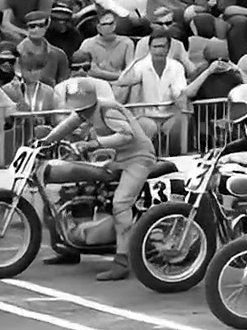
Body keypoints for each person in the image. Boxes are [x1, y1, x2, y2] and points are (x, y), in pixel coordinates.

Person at [35, 78, 157, 281]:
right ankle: (68, 249)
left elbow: (126, 135)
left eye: (82, 108)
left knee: (121, 204)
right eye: (77, 109)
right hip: (117, 159)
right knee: (71, 190)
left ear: (91, 102)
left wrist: (94, 143)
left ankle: (122, 261)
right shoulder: (85, 112)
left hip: (138, 159)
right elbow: (67, 125)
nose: (80, 112)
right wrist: (43, 142)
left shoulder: (108, 110)